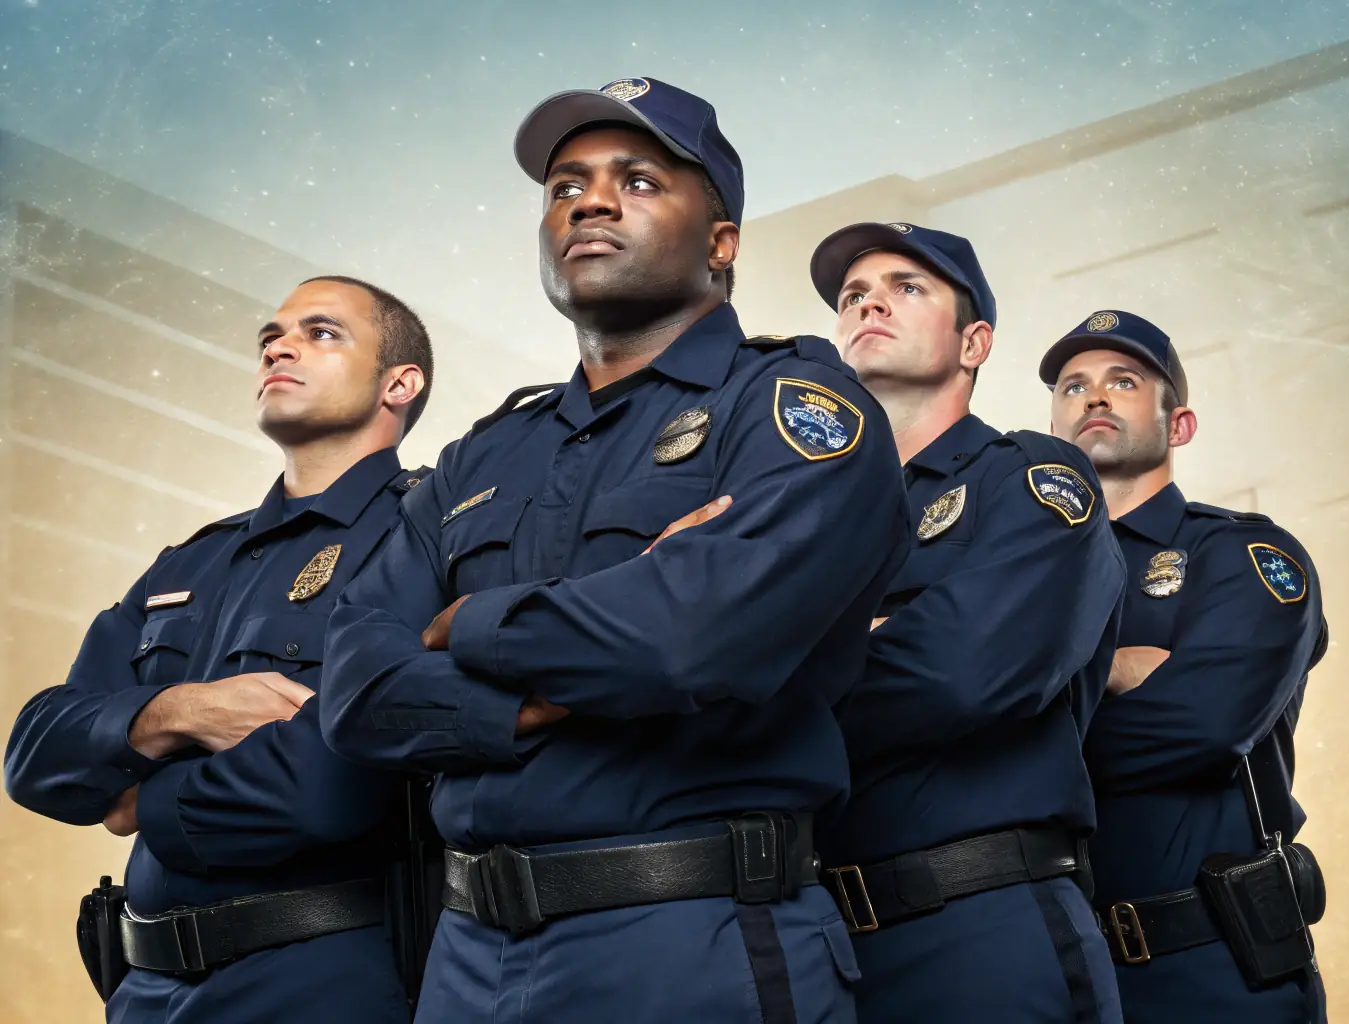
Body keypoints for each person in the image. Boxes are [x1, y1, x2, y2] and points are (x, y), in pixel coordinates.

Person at [319, 77, 909, 1024]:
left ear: (721, 243)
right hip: (467, 959)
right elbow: (352, 689)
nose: (589, 201)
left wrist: (465, 621)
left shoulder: (794, 411)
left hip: (688, 939)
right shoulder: (480, 453)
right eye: (565, 186)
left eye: (638, 181)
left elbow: (692, 640)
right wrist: (532, 702)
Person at [5, 276, 435, 1023]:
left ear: (398, 382)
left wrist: (141, 796)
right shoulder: (189, 563)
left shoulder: (426, 538)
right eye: (271, 335)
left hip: (321, 981)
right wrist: (178, 711)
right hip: (144, 991)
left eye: (322, 333)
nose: (279, 345)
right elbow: (36, 754)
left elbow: (328, 788)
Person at [807, 221, 1126, 1022]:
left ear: (972, 342)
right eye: (854, 295)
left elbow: (958, 671)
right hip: (816, 940)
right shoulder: (800, 512)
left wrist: (768, 681)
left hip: (975, 927)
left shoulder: (1030, 478)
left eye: (906, 288)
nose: (868, 302)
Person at [1042, 310, 1329, 1023]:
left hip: (1212, 967)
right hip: (1060, 967)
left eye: (1124, 381)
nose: (1093, 397)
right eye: (1072, 387)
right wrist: (1116, 667)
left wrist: (1019, 721)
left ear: (1179, 426)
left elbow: (1202, 725)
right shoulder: (1026, 577)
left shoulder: (1238, 555)